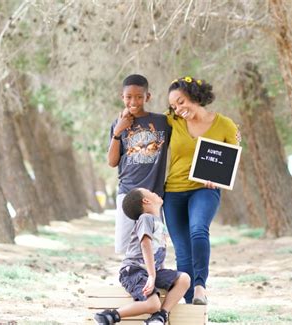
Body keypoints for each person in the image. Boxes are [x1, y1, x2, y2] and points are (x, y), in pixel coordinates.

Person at [164, 76, 240, 305]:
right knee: (182, 251)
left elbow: (232, 159)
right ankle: (190, 306)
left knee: (198, 230)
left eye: (181, 102)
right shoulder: (171, 121)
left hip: (205, 190)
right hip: (173, 192)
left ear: (195, 96)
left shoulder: (225, 125)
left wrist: (217, 176)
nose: (178, 109)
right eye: (174, 105)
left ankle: (199, 287)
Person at [94, 188, 190, 325]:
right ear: (146, 200)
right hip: (134, 271)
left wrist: (158, 274)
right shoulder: (146, 218)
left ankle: (160, 316)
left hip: (152, 271)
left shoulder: (158, 222)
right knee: (153, 304)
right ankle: (110, 316)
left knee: (184, 279)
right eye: (151, 192)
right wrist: (152, 276)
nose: (155, 192)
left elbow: (158, 253)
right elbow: (146, 245)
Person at [108, 74, 171, 254]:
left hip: (153, 195)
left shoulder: (162, 122)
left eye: (139, 97)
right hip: (127, 192)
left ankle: (153, 278)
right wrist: (118, 131)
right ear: (122, 97)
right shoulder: (117, 124)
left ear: (147, 97)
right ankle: (132, 278)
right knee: (124, 247)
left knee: (157, 246)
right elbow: (112, 162)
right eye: (129, 97)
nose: (133, 101)